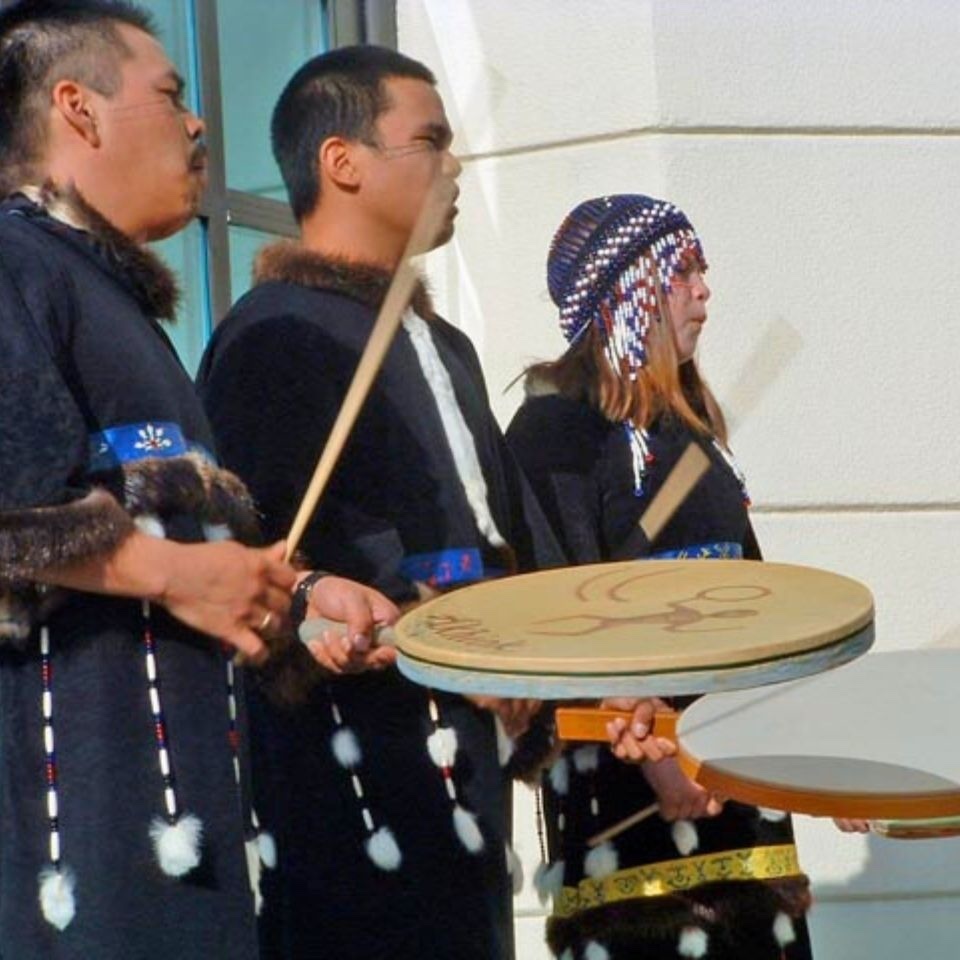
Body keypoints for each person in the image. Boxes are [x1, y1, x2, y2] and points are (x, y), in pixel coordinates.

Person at [0, 3, 394, 957]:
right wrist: (181, 576)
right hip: (76, 852)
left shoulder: (109, 299)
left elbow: (176, 554)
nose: (198, 122)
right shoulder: (15, 259)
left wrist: (292, 597)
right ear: (77, 109)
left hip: (178, 842)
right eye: (171, 95)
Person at [197, 45, 562, 960]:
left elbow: (497, 541)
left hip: (462, 760)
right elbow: (234, 549)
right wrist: (320, 602)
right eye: (429, 141)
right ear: (343, 161)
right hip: (347, 765)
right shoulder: (273, 333)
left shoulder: (447, 346)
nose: (455, 166)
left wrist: (527, 665)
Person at [505, 194, 813, 960]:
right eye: (684, 271)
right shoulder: (554, 430)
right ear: (627, 288)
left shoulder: (694, 427)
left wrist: (810, 760)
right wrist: (665, 758)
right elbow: (554, 605)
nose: (705, 290)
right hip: (626, 773)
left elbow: (756, 603)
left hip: (737, 781)